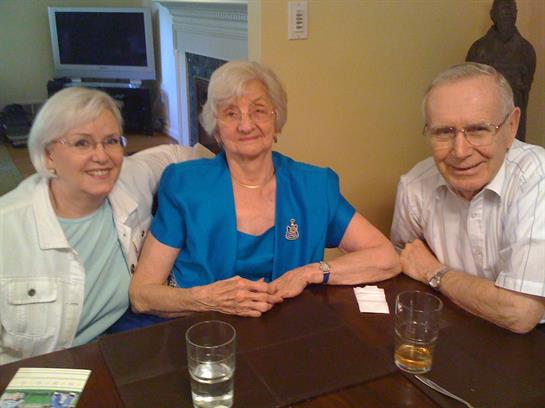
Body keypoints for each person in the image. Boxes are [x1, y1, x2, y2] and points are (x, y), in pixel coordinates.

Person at [129, 60, 400, 318]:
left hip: (290, 330)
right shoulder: (184, 185)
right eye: (231, 113)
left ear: (276, 121)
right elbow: (142, 294)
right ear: (217, 130)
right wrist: (207, 299)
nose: (246, 125)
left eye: (258, 111)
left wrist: (310, 272)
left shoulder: (314, 186)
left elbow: (386, 257)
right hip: (206, 332)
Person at [0, 87, 212, 364]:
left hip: (118, 350)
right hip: (38, 371)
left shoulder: (129, 178)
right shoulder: (8, 226)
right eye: (82, 143)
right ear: (49, 154)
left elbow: (179, 154)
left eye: (111, 141)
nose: (102, 156)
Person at [391, 62, 545, 334]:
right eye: (444, 132)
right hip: (456, 322)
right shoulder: (415, 185)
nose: (460, 152)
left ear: (511, 126)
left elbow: (520, 313)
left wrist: (435, 272)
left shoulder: (537, 177)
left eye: (478, 129)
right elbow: (404, 262)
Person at [466, 0, 536, 141]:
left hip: (513, 111)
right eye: (502, 11)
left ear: (516, 14)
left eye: (510, 11)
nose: (506, 15)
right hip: (484, 110)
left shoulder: (525, 49)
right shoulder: (478, 49)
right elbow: (469, 85)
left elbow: (526, 85)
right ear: (493, 14)